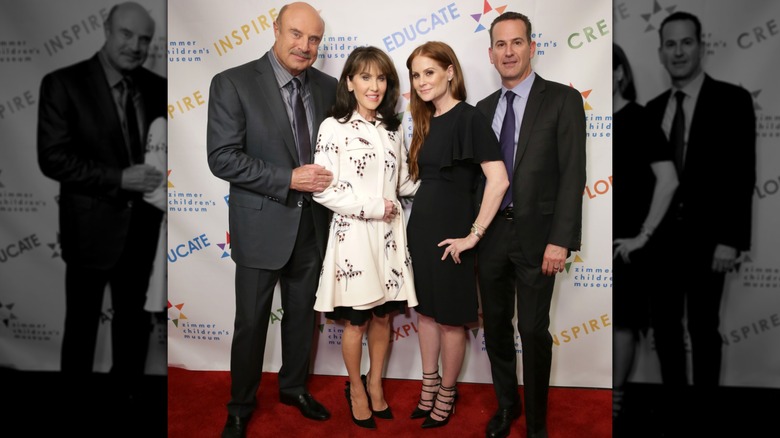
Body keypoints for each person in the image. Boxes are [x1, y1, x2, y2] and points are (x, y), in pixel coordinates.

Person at [206, 3, 337, 437]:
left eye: (314, 39)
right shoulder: (233, 83)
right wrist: (289, 179)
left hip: (314, 228)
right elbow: (222, 157)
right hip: (261, 227)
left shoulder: (330, 87)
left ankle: (293, 387)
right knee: (252, 322)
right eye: (296, 34)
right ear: (275, 29)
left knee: (302, 317)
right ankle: (240, 405)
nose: (305, 46)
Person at [36, 0, 165, 419]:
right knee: (82, 325)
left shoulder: (159, 86)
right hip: (89, 229)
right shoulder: (63, 83)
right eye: (127, 35)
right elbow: (52, 157)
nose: (135, 45)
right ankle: (73, 402)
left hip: (145, 228)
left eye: (144, 38)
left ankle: (127, 396)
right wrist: (118, 178)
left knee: (133, 323)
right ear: (107, 31)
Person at [475, 12, 587, 438]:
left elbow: (573, 173)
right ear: (490, 53)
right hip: (491, 238)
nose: (508, 52)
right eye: (500, 45)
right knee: (498, 328)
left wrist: (561, 240)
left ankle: (537, 423)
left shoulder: (562, 100)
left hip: (540, 240)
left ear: (531, 47)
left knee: (534, 331)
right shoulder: (483, 109)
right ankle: (508, 407)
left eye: (516, 42)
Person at [643, 10, 755, 416]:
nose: (678, 51)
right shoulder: (652, 109)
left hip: (711, 243)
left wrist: (731, 240)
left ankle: (706, 413)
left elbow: (743, 176)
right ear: (660, 52)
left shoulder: (734, 101)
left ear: (701, 46)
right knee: (667, 332)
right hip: (661, 246)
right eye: (670, 44)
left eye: (686, 42)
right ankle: (677, 410)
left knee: (705, 330)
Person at [312, 46, 419, 429]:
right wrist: (375, 207)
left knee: (383, 319)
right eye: (366, 77)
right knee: (356, 322)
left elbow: (404, 183)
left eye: (381, 78)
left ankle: (376, 384)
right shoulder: (333, 126)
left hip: (389, 240)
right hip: (354, 238)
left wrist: (444, 181)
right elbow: (322, 189)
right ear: (350, 82)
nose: (374, 86)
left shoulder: (393, 127)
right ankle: (355, 387)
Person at [405, 41, 509, 429]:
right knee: (427, 314)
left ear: (450, 72)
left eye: (429, 72)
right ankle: (428, 385)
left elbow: (498, 181)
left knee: (450, 320)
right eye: (415, 75)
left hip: (453, 235)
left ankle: (447, 392)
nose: (421, 82)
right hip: (422, 231)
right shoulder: (425, 120)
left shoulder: (470, 118)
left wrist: (473, 236)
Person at [610, 43, 678, 432]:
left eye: (609, 68)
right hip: (588, 240)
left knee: (623, 324)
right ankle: (598, 390)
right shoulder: (583, 117)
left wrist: (643, 235)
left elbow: (669, 182)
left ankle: (616, 397)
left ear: (621, 74)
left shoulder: (641, 118)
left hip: (626, 244)